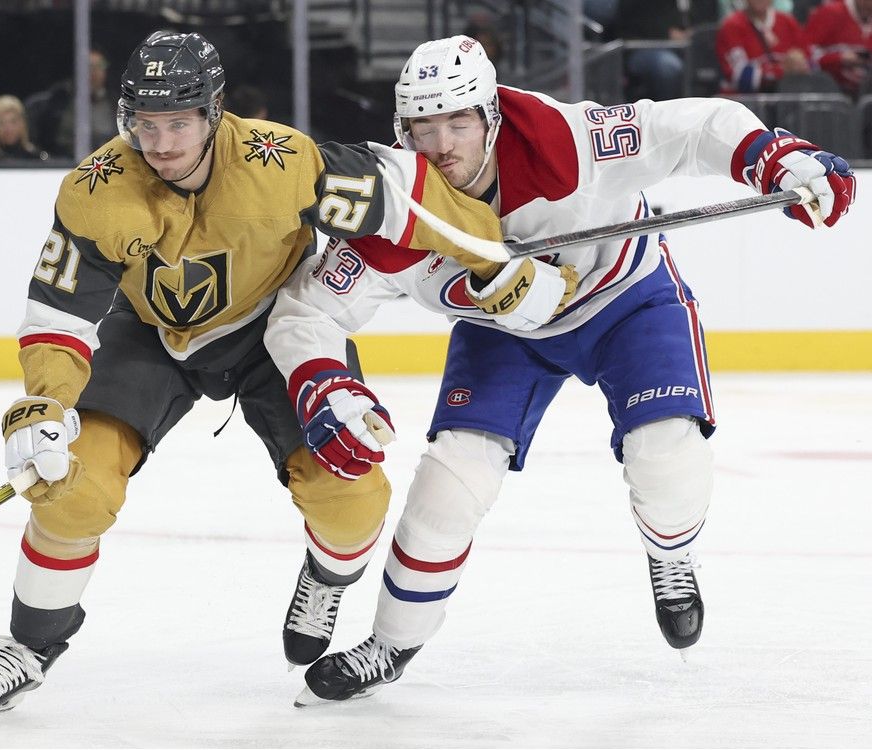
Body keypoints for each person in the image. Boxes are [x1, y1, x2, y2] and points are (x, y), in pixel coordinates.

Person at [260, 34, 857, 705]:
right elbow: (306, 311)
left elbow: (692, 127)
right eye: (423, 128)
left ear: (492, 115)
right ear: (403, 132)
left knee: (665, 457)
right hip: (503, 335)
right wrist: (324, 384)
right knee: (446, 490)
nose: (442, 145)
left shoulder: (569, 141)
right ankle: (393, 643)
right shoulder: (396, 208)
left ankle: (671, 554)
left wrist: (778, 157)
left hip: (626, 301)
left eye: (458, 122)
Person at [0, 30, 505, 722]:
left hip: (276, 331)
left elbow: (403, 191)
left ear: (214, 112)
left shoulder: (281, 163)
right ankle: (29, 648)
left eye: (179, 123)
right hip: (147, 332)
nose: (162, 143)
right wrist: (44, 405)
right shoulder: (96, 188)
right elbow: (57, 313)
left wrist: (492, 250)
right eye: (147, 125)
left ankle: (326, 578)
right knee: (71, 489)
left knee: (353, 491)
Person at [616, 0, 719, 100]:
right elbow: (634, 19)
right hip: (645, 45)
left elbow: (710, 23)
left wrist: (694, 34)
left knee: (715, 63)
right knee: (668, 65)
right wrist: (667, 33)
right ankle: (668, 113)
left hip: (693, 48)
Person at [25, 48, 118, 159]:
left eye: (99, 66)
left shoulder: (116, 102)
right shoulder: (57, 101)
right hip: (62, 163)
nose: (94, 72)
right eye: (88, 66)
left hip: (107, 162)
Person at [716, 0, 813, 93]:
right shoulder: (732, 26)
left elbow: (811, 62)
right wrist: (783, 70)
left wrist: (801, 65)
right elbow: (740, 78)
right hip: (743, 102)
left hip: (784, 98)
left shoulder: (788, 21)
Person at [805, 0, 872, 97]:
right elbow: (806, 55)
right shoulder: (831, 13)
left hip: (864, 92)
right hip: (828, 92)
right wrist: (839, 58)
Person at [0, 95, 48, 162]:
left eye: (13, 122)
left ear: (23, 124)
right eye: (1, 123)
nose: (9, 129)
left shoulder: (37, 157)